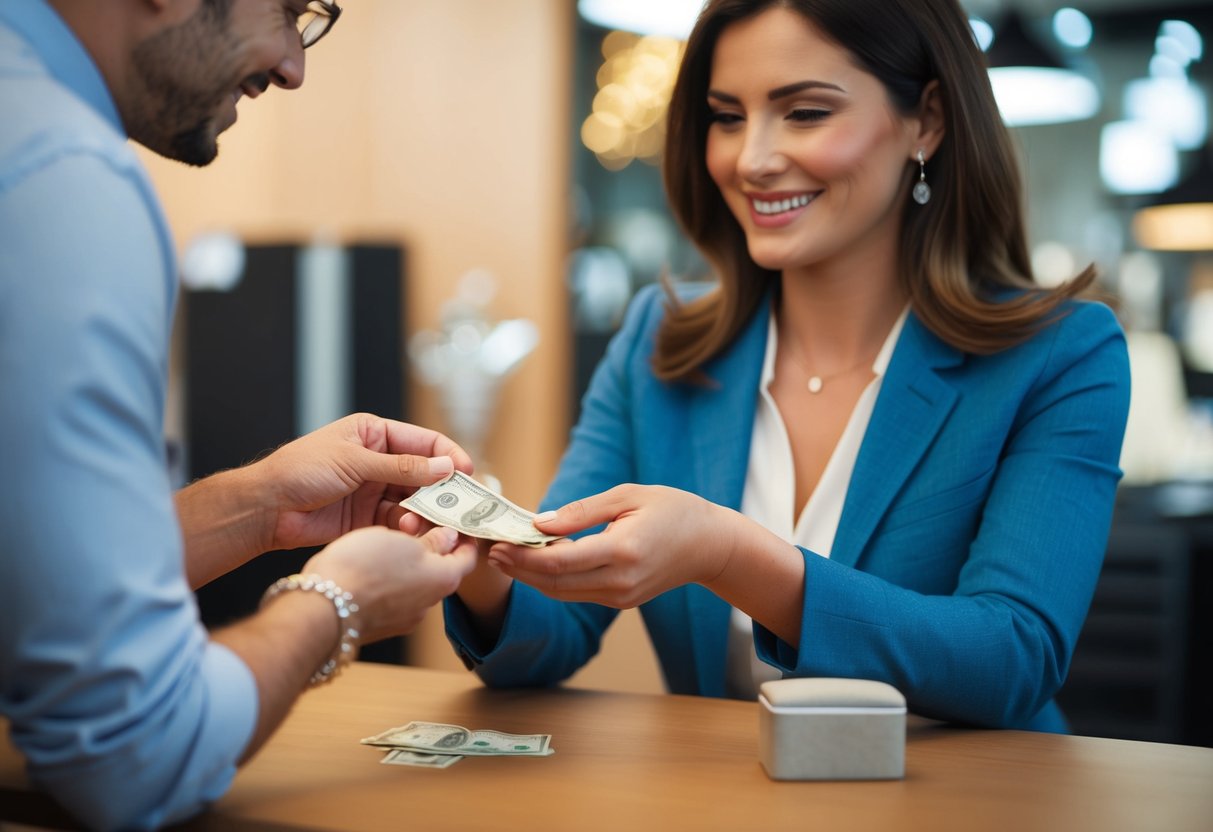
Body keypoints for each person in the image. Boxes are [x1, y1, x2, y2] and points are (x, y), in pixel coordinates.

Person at [442, 0, 1130, 732]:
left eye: (803, 113)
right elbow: (549, 635)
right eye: (727, 116)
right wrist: (481, 560)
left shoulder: (1061, 354)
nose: (751, 159)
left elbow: (1010, 659)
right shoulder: (659, 339)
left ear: (925, 120)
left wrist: (727, 553)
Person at [0, 2, 478, 829]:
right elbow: (132, 758)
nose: (294, 65)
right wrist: (336, 604)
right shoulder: (59, 175)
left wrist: (259, 505)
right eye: (288, 9)